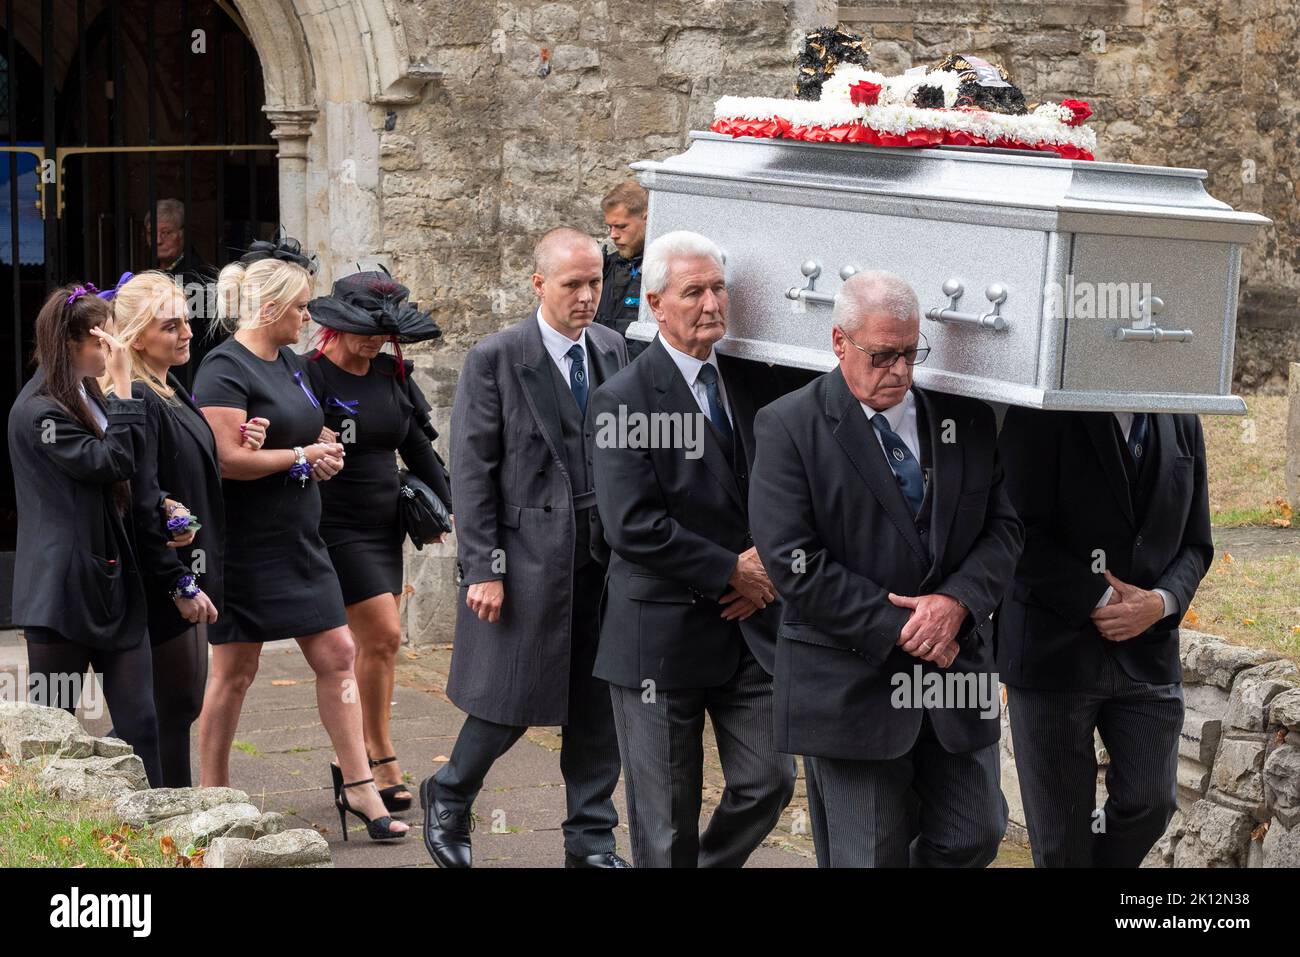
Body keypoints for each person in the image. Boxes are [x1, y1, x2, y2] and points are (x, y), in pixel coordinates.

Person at [747, 270, 1024, 868]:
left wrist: (956, 604)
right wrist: (902, 625)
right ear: (839, 342)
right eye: (882, 355)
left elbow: (1004, 529)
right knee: (867, 858)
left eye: (910, 352)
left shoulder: (966, 421)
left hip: (955, 680)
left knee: (977, 833)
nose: (899, 370)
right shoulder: (788, 426)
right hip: (850, 685)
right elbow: (793, 561)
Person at [420, 227, 630, 869]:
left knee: (600, 705)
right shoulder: (499, 355)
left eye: (595, 282)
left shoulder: (612, 347)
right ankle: (450, 795)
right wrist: (483, 567)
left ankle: (591, 840)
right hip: (525, 557)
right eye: (573, 284)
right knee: (509, 699)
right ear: (539, 284)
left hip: (603, 561)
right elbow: (473, 468)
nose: (588, 296)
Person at [589, 229, 796, 868]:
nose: (711, 304)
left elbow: (789, 489)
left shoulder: (756, 383)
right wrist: (730, 570)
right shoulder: (621, 398)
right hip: (660, 636)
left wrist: (768, 564)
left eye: (717, 288)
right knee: (664, 821)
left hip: (749, 631)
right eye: (693, 292)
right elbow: (631, 525)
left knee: (769, 782)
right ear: (656, 303)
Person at [193, 240, 408, 843]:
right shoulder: (224, 368)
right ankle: (213, 791)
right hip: (247, 543)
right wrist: (300, 456)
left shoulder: (289, 364)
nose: (308, 319)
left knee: (339, 653)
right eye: (301, 309)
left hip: (300, 539)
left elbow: (306, 424)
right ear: (269, 310)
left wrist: (325, 451)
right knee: (236, 668)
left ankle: (360, 785)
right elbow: (229, 461)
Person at [997, 404, 1212, 867]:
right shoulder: (1040, 414)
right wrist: (1097, 599)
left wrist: (1159, 602)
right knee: (1061, 843)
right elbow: (1014, 533)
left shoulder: (1182, 417)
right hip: (1052, 655)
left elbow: (1197, 541)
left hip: (1149, 651)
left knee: (1153, 803)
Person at [107, 270, 261, 788]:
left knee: (175, 706)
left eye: (186, 320)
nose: (187, 332)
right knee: (167, 709)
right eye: (170, 326)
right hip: (163, 576)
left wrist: (246, 437)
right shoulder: (141, 400)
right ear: (134, 337)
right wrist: (178, 580)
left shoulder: (168, 386)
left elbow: (189, 468)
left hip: (187, 567)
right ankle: (166, 815)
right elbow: (143, 496)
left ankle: (168, 810)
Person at [305, 269, 451, 812]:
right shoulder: (309, 377)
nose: (373, 339)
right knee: (386, 633)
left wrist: (450, 506)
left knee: (379, 646)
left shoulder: (390, 372)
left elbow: (416, 447)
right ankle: (379, 753)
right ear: (334, 326)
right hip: (331, 524)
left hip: (384, 522)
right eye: (363, 329)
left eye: (382, 331)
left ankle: (356, 757)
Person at [7, 283, 163, 786]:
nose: (114, 351)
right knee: (54, 732)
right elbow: (110, 461)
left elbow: (130, 466)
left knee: (142, 724)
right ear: (72, 342)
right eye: (105, 341)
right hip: (61, 592)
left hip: (113, 584)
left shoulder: (85, 392)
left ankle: (155, 836)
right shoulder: (38, 413)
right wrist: (123, 390)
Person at [147, 199, 218, 389]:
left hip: (187, 373)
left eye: (166, 233)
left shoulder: (198, 275)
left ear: (183, 235)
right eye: (152, 233)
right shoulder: (154, 272)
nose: (158, 240)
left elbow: (203, 336)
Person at [594, 180, 648, 359]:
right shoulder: (603, 268)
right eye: (610, 227)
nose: (613, 235)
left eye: (621, 226)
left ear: (647, 218)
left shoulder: (665, 271)